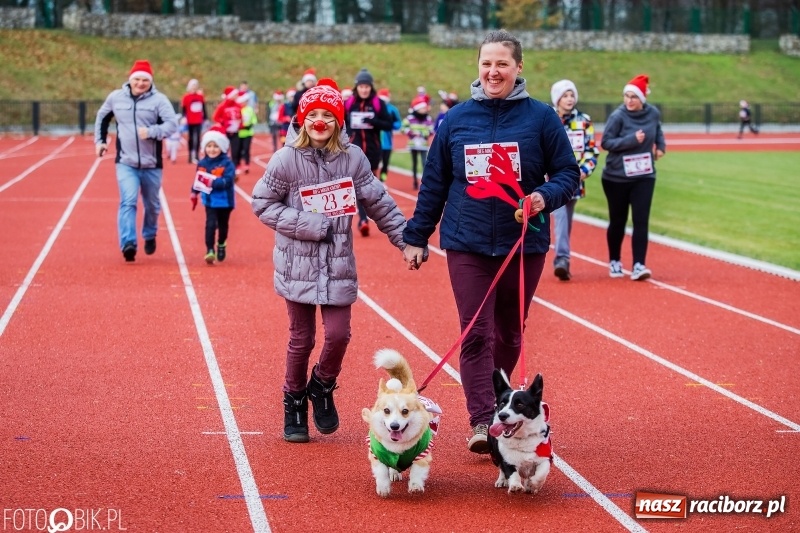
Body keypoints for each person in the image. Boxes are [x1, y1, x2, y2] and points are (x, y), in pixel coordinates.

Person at [401, 30, 580, 454]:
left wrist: (542, 197)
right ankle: (483, 421)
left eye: (502, 63)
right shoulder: (456, 120)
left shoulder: (541, 118)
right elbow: (435, 184)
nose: (493, 71)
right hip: (467, 241)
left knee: (510, 335)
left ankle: (504, 406)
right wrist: (416, 237)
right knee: (476, 333)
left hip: (524, 243)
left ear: (519, 68)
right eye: (486, 63)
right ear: (477, 68)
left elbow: (568, 175)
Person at [251, 78, 409, 444]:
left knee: (339, 335)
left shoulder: (353, 159)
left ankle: (321, 385)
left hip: (338, 265)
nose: (319, 121)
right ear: (302, 119)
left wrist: (405, 240)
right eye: (312, 115)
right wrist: (309, 224)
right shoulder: (285, 159)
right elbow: (261, 203)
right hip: (297, 266)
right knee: (301, 339)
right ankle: (293, 401)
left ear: (339, 121)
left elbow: (379, 203)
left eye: (327, 115)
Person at [95, 59, 178, 262]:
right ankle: (128, 243)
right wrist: (100, 141)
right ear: (130, 79)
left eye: (145, 80)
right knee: (128, 201)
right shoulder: (116, 98)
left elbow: (172, 125)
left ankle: (149, 234)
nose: (140, 83)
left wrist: (151, 131)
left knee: (152, 205)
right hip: (126, 162)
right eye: (137, 79)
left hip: (152, 164)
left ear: (150, 81)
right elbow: (102, 117)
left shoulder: (159, 100)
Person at [600, 74, 666, 281]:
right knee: (618, 221)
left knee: (641, 220)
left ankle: (639, 264)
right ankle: (615, 260)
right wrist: (631, 140)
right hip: (616, 177)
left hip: (644, 175)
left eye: (633, 97)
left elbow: (658, 131)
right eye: (626, 96)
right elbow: (606, 142)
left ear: (642, 99)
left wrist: (661, 147)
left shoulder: (653, 113)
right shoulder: (618, 116)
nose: (629, 100)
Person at [549, 79, 599, 281]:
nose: (569, 99)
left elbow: (592, 151)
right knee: (560, 217)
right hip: (554, 180)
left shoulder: (584, 121)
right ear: (557, 98)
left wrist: (584, 170)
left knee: (566, 220)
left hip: (575, 181)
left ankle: (562, 257)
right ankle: (562, 258)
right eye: (565, 95)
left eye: (572, 95)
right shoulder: (548, 119)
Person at [344, 68, 393, 236]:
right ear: (356, 87)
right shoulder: (349, 103)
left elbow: (388, 124)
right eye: (361, 86)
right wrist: (350, 127)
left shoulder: (378, 103)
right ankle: (363, 219)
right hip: (355, 150)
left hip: (373, 149)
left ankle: (375, 216)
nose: (364, 89)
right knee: (357, 184)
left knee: (371, 186)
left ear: (371, 87)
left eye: (367, 86)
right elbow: (341, 123)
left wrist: (374, 121)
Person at [191, 126, 237, 264]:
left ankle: (221, 243)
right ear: (204, 148)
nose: (212, 149)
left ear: (222, 148)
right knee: (210, 224)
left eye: (215, 146)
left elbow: (228, 181)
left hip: (225, 202)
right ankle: (209, 250)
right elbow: (198, 179)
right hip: (210, 201)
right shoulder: (202, 163)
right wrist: (193, 192)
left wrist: (211, 181)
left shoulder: (227, 163)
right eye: (209, 146)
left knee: (223, 226)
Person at [401, 95, 434, 190]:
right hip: (413, 145)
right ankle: (415, 181)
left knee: (424, 163)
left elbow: (431, 130)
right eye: (423, 108)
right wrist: (411, 133)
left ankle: (425, 181)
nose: (425, 109)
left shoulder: (427, 119)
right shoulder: (410, 118)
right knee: (414, 163)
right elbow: (403, 128)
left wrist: (422, 133)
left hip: (423, 145)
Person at [376, 87, 402, 183]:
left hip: (387, 143)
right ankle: (373, 180)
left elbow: (398, 123)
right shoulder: (375, 108)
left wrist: (390, 125)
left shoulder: (392, 109)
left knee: (385, 163)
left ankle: (383, 180)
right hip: (375, 142)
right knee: (374, 163)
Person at [212, 86, 243, 164]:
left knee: (236, 150)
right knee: (224, 149)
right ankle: (223, 165)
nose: (237, 96)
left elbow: (241, 117)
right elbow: (215, 117)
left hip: (235, 131)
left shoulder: (238, 106)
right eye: (235, 94)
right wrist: (224, 122)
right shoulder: (222, 106)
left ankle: (235, 166)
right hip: (225, 132)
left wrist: (240, 123)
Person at [180, 78, 207, 163]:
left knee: (198, 138)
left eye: (195, 86)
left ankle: (196, 155)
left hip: (198, 120)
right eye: (193, 86)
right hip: (190, 120)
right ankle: (190, 155)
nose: (194, 88)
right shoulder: (186, 97)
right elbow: (184, 109)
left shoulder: (200, 97)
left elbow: (203, 107)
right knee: (191, 138)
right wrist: (184, 117)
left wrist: (205, 118)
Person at [237, 92, 258, 176]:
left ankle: (246, 165)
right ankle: (238, 165)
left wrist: (250, 125)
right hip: (238, 133)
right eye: (242, 101)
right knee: (238, 150)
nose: (244, 103)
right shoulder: (238, 109)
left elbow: (254, 119)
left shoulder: (249, 109)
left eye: (245, 101)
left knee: (246, 149)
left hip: (248, 133)